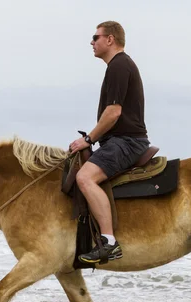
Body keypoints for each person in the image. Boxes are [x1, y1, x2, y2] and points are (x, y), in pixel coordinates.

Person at [69, 21, 150, 264]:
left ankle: (109, 242)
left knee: (84, 178)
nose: (92, 42)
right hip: (120, 140)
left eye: (96, 37)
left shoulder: (119, 65)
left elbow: (113, 113)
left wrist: (88, 139)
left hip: (126, 142)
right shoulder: (116, 66)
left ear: (110, 39)